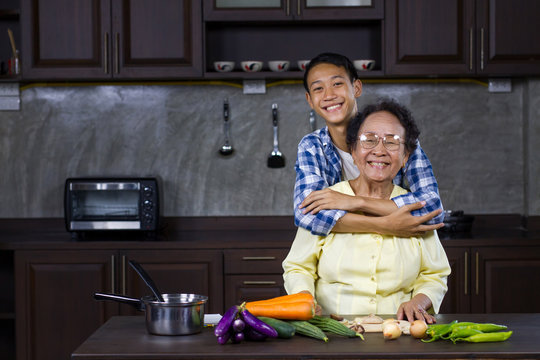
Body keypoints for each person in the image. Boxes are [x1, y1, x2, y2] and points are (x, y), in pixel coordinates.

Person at [283, 100, 451, 322]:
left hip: (398, 328)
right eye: (369, 140)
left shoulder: (413, 209)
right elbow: (298, 267)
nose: (379, 150)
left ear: (406, 157)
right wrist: (304, 298)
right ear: (352, 150)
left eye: (392, 142)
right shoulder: (327, 200)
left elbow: (434, 274)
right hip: (332, 330)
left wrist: (419, 301)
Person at [295, 52, 444, 237]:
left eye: (337, 84)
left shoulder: (395, 138)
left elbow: (433, 208)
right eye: (318, 88)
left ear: (356, 87)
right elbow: (307, 213)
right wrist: (385, 225)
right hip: (340, 253)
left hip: (397, 249)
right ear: (309, 100)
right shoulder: (312, 146)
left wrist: (357, 202)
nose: (329, 95)